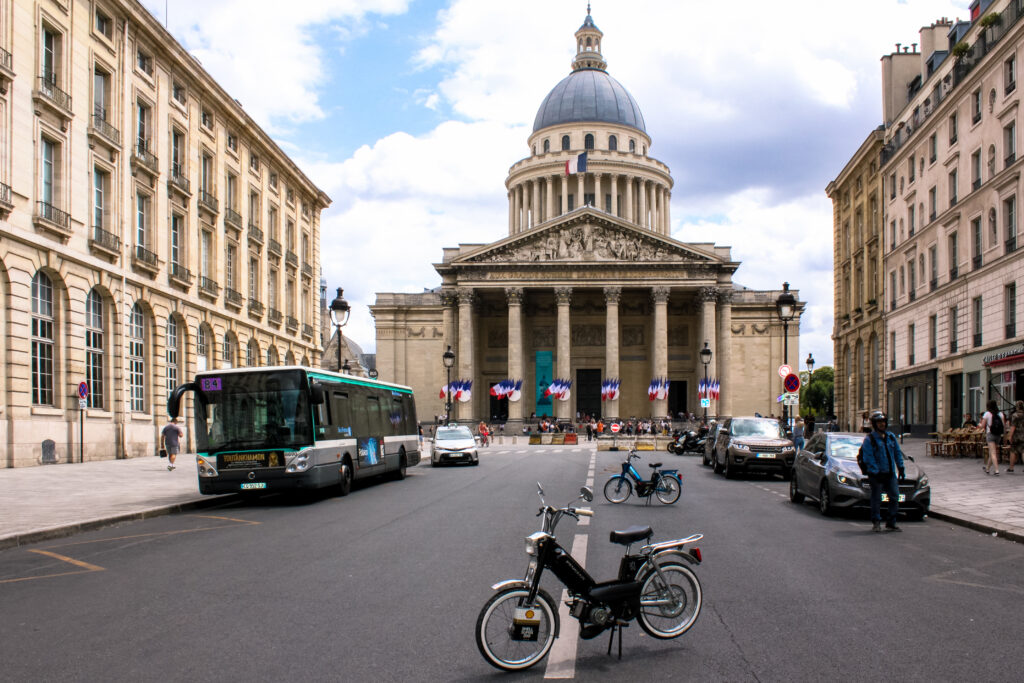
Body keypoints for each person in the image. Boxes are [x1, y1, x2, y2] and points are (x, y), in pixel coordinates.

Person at [860, 411, 905, 532]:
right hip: (876, 475)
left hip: (890, 473)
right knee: (876, 498)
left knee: (894, 497)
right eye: (879, 422)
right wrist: (875, 471)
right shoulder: (870, 439)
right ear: (874, 424)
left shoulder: (891, 437)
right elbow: (868, 457)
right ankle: (876, 522)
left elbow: (897, 453)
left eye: (883, 422)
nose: (882, 424)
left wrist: (901, 468)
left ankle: (891, 522)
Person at [977, 400, 1006, 475]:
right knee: (991, 452)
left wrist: (979, 425)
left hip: (990, 434)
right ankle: (987, 468)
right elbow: (1003, 426)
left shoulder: (987, 414)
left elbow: (982, 426)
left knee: (993, 453)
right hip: (998, 435)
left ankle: (996, 470)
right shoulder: (1000, 414)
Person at [1007, 401, 1024, 473]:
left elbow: (1013, 426)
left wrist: (1010, 436)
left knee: (1013, 451)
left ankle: (1011, 468)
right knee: (1023, 451)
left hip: (1016, 436)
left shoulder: (1015, 415)